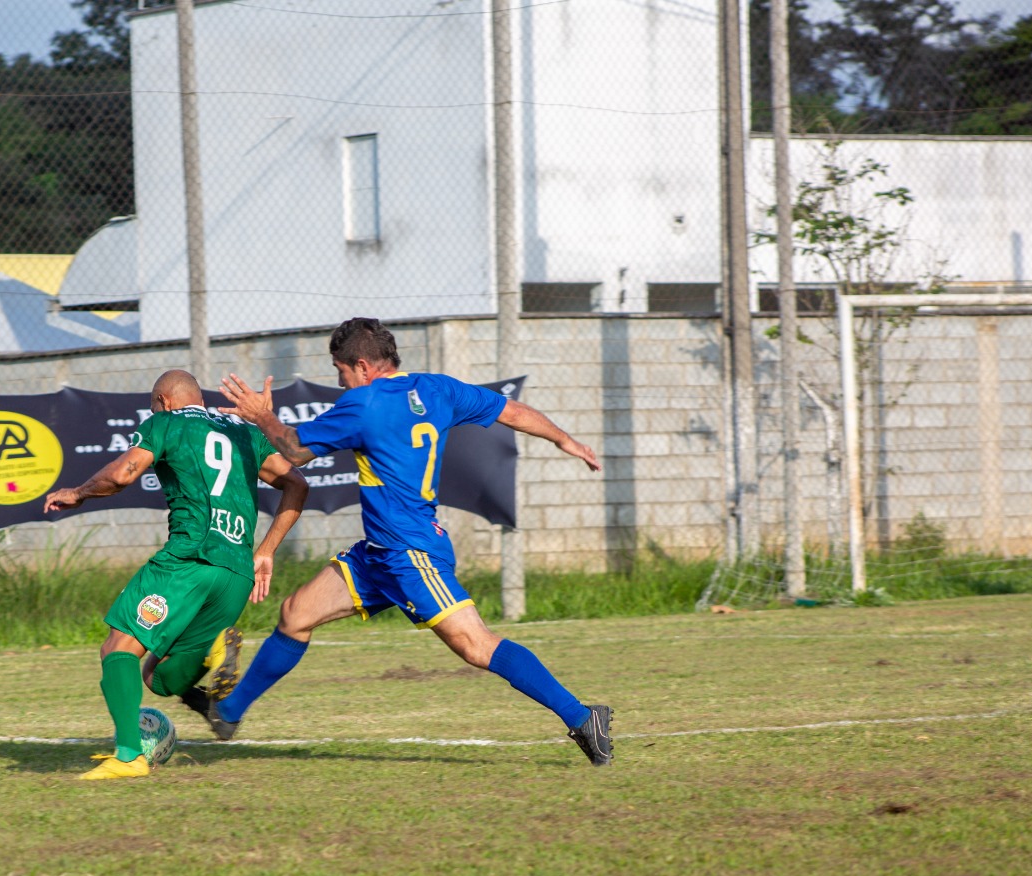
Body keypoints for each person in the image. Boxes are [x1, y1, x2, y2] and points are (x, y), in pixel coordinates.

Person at [213, 317, 614, 766]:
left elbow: (294, 450)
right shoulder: (437, 389)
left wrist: (261, 415)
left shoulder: (364, 404)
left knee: (475, 645)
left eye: (340, 369)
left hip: (412, 554)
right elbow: (512, 411)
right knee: (295, 613)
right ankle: (226, 713)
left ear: (362, 366)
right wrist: (566, 440)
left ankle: (582, 716)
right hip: (378, 554)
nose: (339, 379)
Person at [44, 369, 308, 780]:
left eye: (154, 407)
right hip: (236, 573)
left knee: (118, 648)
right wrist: (267, 551)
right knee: (158, 677)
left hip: (189, 560)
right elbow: (297, 484)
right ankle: (211, 650)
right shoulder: (244, 433)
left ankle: (130, 756)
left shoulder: (164, 423)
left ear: (165, 401)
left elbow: (122, 474)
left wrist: (77, 493)